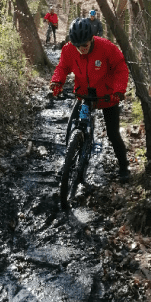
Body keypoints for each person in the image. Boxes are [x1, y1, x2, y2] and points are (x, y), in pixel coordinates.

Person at [50, 17, 130, 181]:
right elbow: (63, 67)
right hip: (84, 94)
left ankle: (124, 166)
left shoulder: (107, 47)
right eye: (78, 46)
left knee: (113, 134)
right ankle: (70, 158)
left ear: (92, 38)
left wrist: (119, 90)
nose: (81, 49)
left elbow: (120, 68)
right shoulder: (68, 49)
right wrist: (57, 82)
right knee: (75, 126)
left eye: (85, 45)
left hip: (107, 96)